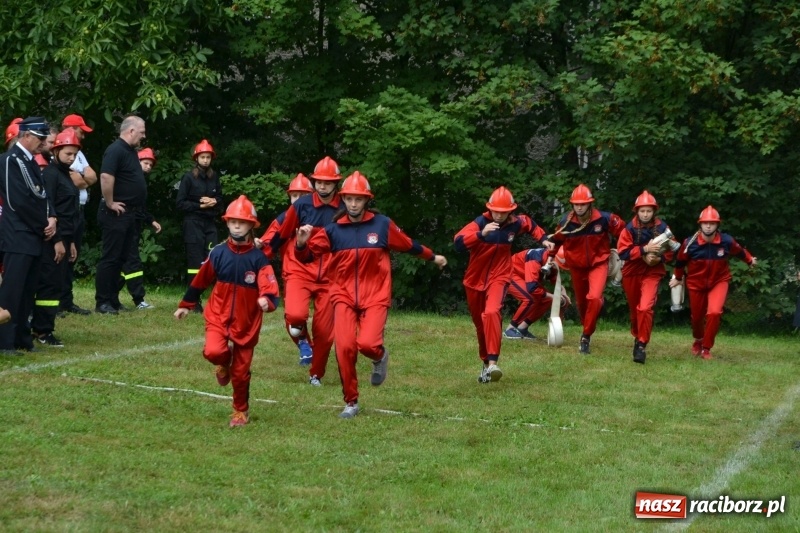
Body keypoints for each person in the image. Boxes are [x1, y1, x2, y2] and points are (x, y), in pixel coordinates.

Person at [295, 172, 447, 418]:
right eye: (349, 199)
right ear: (343, 200)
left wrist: (433, 256)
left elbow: (409, 244)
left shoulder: (382, 225)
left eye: (358, 199)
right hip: (342, 295)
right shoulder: (333, 230)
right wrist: (301, 243)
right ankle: (351, 401)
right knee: (344, 348)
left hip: (375, 295)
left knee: (367, 344)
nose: (353, 204)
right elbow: (306, 257)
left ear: (367, 200)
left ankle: (379, 356)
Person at [174, 195, 280, 427]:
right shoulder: (218, 253)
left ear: (252, 225)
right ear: (227, 223)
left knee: (241, 373)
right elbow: (201, 280)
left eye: (242, 222)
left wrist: (267, 301)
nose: (237, 226)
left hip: (247, 322)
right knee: (213, 351)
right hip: (218, 315)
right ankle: (223, 363)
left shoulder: (259, 258)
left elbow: (270, 288)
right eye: (233, 222)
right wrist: (186, 304)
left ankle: (240, 411)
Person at [454, 186, 553, 383]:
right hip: (474, 280)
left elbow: (530, 224)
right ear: (489, 209)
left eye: (503, 211)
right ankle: (486, 364)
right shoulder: (479, 223)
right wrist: (481, 234)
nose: (499, 215)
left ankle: (493, 364)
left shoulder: (516, 223)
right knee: (481, 326)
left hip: (500, 277)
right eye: (495, 211)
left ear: (510, 211)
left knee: (492, 313)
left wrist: (544, 239)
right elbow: (458, 243)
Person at [265, 156, 342, 387]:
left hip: (331, 276)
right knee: (296, 316)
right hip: (300, 270)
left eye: (327, 182)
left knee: (325, 332)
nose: (322, 186)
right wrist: (260, 257)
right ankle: (305, 344)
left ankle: (315, 373)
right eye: (319, 181)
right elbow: (281, 232)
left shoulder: (346, 207)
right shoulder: (302, 206)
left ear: (336, 184)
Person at [0, 117, 57, 354]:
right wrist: (42, 223)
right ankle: (5, 341)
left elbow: (43, 194)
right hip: (18, 234)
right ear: (26, 136)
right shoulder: (9, 160)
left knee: (27, 290)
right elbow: (17, 200)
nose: (43, 142)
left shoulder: (32, 161)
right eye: (40, 138)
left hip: (34, 234)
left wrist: (52, 217)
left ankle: (22, 336)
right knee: (12, 290)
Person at [669, 206, 756, 359]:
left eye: (712, 223)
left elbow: (739, 250)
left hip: (719, 281)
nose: (708, 226)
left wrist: (749, 260)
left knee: (714, 312)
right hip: (696, 283)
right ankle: (698, 340)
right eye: (705, 223)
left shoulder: (726, 241)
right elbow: (680, 262)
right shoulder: (689, 243)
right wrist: (677, 278)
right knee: (697, 318)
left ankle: (706, 348)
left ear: (717, 225)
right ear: (700, 224)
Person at [549, 184, 625, 355]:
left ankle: (585, 336)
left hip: (599, 264)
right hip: (576, 266)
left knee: (594, 297)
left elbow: (625, 232)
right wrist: (549, 260)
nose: (580, 206)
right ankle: (588, 323)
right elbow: (556, 242)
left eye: (583, 203)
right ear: (572, 205)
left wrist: (624, 252)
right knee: (582, 303)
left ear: (590, 203)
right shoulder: (565, 223)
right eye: (576, 204)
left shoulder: (604, 219)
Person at [258, 173, 316, 365]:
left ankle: (322, 349)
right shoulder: (283, 219)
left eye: (303, 195)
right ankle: (304, 344)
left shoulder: (322, 215)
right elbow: (269, 242)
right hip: (293, 272)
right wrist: (259, 246)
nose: (298, 200)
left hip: (322, 274)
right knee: (293, 316)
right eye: (294, 196)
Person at [617, 191, 680, 364]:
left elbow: (674, 250)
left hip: (653, 272)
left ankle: (642, 345)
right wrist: (645, 251)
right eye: (642, 211)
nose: (645, 214)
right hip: (632, 271)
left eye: (649, 211)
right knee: (634, 310)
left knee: (645, 308)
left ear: (654, 211)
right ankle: (637, 337)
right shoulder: (629, 229)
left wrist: (659, 258)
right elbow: (623, 252)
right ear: (637, 211)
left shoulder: (662, 228)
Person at [32, 130, 81, 347]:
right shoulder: (51, 175)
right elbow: (49, 209)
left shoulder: (64, 174)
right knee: (49, 285)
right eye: (68, 153)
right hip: (53, 239)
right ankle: (42, 331)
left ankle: (44, 326)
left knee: (56, 284)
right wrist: (58, 241)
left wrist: (70, 243)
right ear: (56, 151)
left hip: (66, 237)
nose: (72, 158)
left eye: (75, 154)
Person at [94, 115, 148, 314]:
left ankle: (113, 299)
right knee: (110, 257)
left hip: (129, 214)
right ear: (131, 131)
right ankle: (102, 302)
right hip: (115, 213)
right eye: (141, 132)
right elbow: (106, 176)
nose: (143, 136)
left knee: (122, 257)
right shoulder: (115, 150)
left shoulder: (131, 152)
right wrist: (110, 202)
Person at [176, 139, 223, 314]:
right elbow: (180, 204)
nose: (205, 160)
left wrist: (214, 201)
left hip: (209, 224)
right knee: (194, 264)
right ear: (196, 158)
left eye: (208, 157)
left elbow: (221, 202)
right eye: (202, 157)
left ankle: (216, 299)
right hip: (193, 224)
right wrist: (200, 206)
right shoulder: (188, 177)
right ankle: (193, 301)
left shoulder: (214, 177)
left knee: (211, 261)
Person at [60, 114, 97, 316]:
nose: (82, 135)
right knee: (62, 255)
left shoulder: (78, 153)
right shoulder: (60, 150)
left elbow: (92, 177)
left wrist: (81, 177)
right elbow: (76, 181)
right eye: (80, 131)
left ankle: (67, 300)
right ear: (69, 128)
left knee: (73, 256)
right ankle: (56, 300)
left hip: (79, 210)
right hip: (67, 210)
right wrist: (81, 178)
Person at [116, 148, 162, 310]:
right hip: (126, 225)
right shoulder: (131, 180)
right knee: (133, 262)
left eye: (150, 164)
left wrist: (151, 220)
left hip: (132, 225)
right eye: (145, 163)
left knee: (123, 263)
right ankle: (138, 299)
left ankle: (110, 296)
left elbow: (140, 207)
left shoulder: (139, 181)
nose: (148, 166)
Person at [503, 248, 570, 340]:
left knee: (547, 299)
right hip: (510, 273)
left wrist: (563, 290)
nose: (558, 268)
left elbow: (553, 278)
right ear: (553, 258)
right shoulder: (535, 259)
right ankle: (510, 329)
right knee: (530, 298)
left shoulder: (551, 260)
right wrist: (554, 296)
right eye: (558, 265)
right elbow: (532, 288)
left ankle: (522, 328)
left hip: (525, 278)